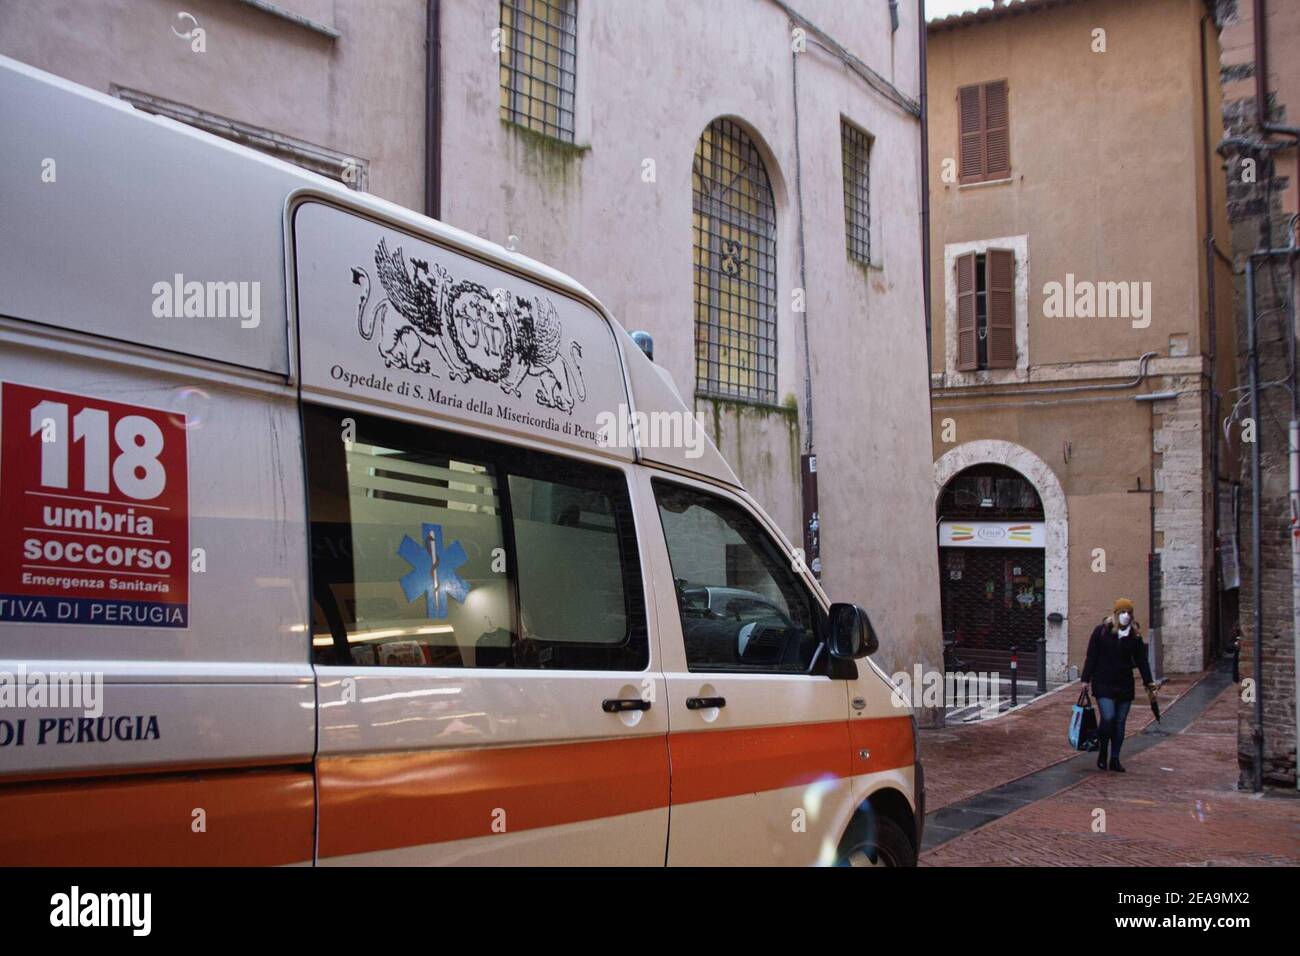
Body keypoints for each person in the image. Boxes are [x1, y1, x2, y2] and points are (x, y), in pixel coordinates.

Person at [1081, 598, 1156, 772]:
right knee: (1108, 717)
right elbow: (1091, 656)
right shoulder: (1101, 631)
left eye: (1129, 613)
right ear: (1115, 614)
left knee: (1120, 722)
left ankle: (1115, 758)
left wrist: (1149, 682)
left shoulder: (1134, 635)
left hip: (1124, 684)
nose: (1126, 616)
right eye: (1123, 612)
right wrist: (1085, 679)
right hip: (1103, 682)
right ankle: (1103, 750)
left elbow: (1142, 661)